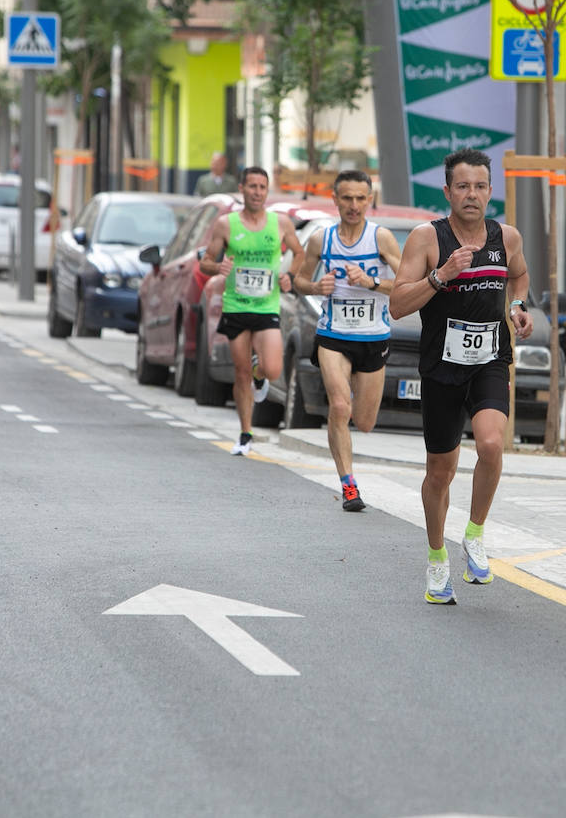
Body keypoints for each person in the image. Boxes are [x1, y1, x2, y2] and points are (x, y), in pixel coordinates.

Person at [389, 148, 531, 605]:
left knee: (491, 444)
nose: (472, 194)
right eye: (463, 186)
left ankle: (474, 534)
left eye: (480, 186)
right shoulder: (427, 239)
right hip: (443, 365)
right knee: (440, 472)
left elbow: (520, 276)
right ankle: (436, 557)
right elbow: (397, 305)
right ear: (447, 191)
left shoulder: (506, 237)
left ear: (491, 191)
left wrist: (517, 306)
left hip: (490, 359)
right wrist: (441, 276)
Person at [293, 169, 402, 511]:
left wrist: (371, 282)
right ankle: (349, 486)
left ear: (370, 200)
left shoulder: (381, 238)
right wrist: (315, 287)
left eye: (360, 198)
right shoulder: (321, 240)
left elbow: (406, 284)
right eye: (347, 198)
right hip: (333, 335)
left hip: (372, 337)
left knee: (365, 422)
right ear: (335, 200)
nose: (354, 205)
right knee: (340, 407)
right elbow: (299, 280)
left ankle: (353, 389)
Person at [197, 167, 303, 456]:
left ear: (267, 191)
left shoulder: (280, 223)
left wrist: (290, 276)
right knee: (240, 371)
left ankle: (260, 373)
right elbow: (205, 262)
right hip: (236, 305)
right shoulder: (226, 224)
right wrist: (218, 266)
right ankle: (246, 434)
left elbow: (300, 253)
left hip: (266, 306)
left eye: (262, 187)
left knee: (273, 369)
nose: (257, 192)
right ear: (242, 189)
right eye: (252, 186)